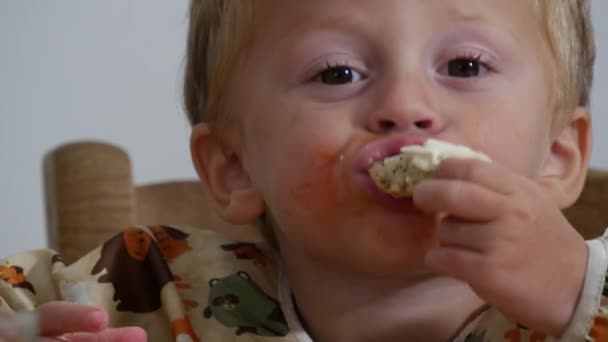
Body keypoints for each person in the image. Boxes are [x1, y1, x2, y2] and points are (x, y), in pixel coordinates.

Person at [0, 0, 602, 341]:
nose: (405, 106)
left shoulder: (577, 306)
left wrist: (583, 295)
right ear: (235, 166)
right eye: (337, 73)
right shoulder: (148, 287)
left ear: (557, 155)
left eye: (466, 66)